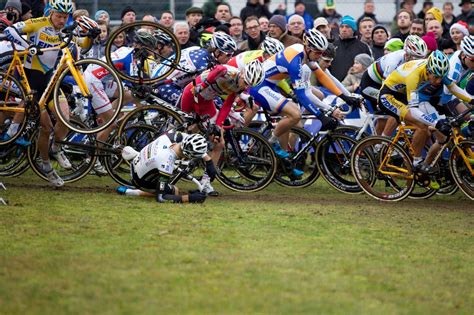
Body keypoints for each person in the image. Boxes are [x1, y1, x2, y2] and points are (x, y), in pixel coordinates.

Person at [4, 0, 96, 187]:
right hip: (30, 80)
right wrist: (27, 45)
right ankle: (46, 166)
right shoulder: (38, 23)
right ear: (50, 12)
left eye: (65, 17)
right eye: (59, 16)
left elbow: (82, 44)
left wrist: (91, 36)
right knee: (45, 127)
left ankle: (56, 148)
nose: (62, 20)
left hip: (49, 81)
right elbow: (10, 31)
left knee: (66, 118)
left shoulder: (63, 31)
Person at [249, 29, 360, 162]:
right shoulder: (296, 61)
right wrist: (321, 115)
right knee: (296, 114)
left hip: (271, 86)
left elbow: (323, 77)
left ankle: (281, 161)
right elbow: (302, 95)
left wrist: (345, 96)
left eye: (322, 53)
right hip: (261, 87)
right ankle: (271, 142)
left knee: (289, 118)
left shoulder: (304, 53)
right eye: (318, 52)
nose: (320, 56)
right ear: (308, 48)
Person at [379, 50, 474, 173]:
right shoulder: (414, 76)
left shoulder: (437, 70)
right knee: (421, 126)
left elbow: (453, 87)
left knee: (426, 128)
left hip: (402, 95)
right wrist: (436, 123)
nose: (439, 81)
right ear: (429, 71)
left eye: (441, 77)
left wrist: (471, 100)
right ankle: (417, 162)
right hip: (388, 96)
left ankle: (417, 159)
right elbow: (413, 110)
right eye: (436, 77)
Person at [181, 60, 266, 194]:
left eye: (249, 85)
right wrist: (204, 85)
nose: (245, 86)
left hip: (206, 102)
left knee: (219, 142)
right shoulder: (228, 72)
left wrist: (218, 125)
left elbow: (227, 105)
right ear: (242, 73)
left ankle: (206, 181)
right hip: (191, 95)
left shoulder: (242, 86)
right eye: (245, 81)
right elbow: (217, 70)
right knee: (184, 130)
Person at [118, 133, 214, 204]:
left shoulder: (172, 137)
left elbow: (189, 139)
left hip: (138, 161)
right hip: (139, 179)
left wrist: (209, 161)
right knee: (174, 191)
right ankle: (131, 191)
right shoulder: (166, 162)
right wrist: (190, 198)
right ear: (189, 155)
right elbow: (161, 198)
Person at [360, 35, 427, 134]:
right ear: (407, 54)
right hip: (371, 85)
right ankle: (380, 144)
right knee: (395, 111)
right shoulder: (394, 61)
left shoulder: (412, 61)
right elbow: (385, 87)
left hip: (388, 85)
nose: (418, 62)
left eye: (421, 58)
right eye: (416, 58)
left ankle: (381, 142)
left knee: (401, 108)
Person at [155, 32, 238, 106]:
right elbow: (208, 92)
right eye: (228, 55)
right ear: (217, 52)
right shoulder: (203, 65)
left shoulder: (197, 49)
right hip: (165, 86)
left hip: (158, 76)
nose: (230, 58)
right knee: (198, 110)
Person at [330, 15, 372, 81]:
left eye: (347, 27)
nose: (344, 29)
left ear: (353, 29)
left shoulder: (363, 47)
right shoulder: (332, 46)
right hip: (334, 86)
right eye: (341, 27)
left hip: (355, 86)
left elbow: (368, 68)